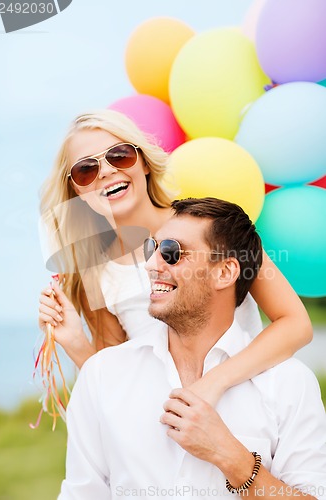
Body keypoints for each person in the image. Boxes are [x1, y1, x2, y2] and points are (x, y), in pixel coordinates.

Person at [38, 109, 312, 406]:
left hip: (250, 406)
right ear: (75, 189)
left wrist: (213, 384)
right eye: (85, 170)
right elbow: (115, 385)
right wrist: (76, 344)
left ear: (143, 162)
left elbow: (295, 324)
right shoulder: (97, 274)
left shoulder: (213, 223)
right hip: (168, 429)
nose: (105, 172)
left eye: (119, 155)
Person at [59, 197, 326, 499]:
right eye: (152, 249)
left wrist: (232, 457)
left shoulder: (290, 385)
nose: (150, 265)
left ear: (224, 273)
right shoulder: (101, 375)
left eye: (172, 253)